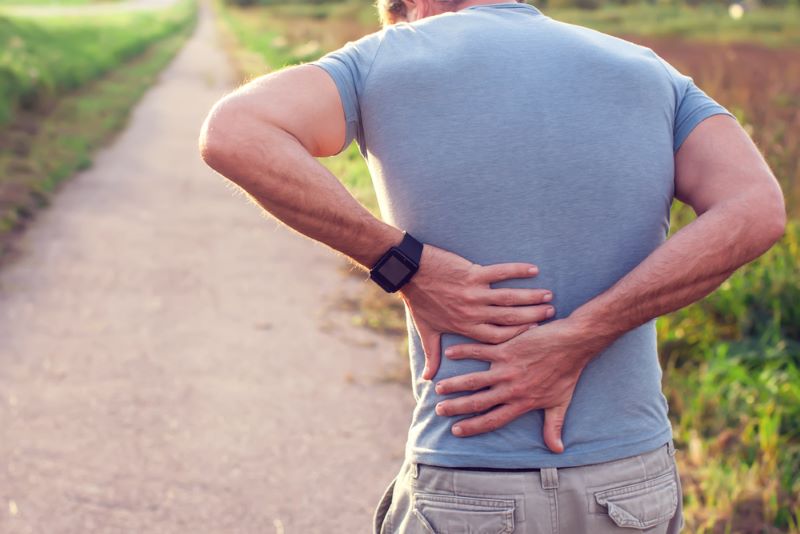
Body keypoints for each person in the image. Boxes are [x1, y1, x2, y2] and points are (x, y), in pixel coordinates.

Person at [198, 0, 786, 531]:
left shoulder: (382, 60)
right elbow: (756, 206)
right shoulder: (648, 71)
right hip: (629, 485)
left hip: (469, 483)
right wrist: (584, 333)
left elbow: (233, 130)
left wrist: (404, 265)